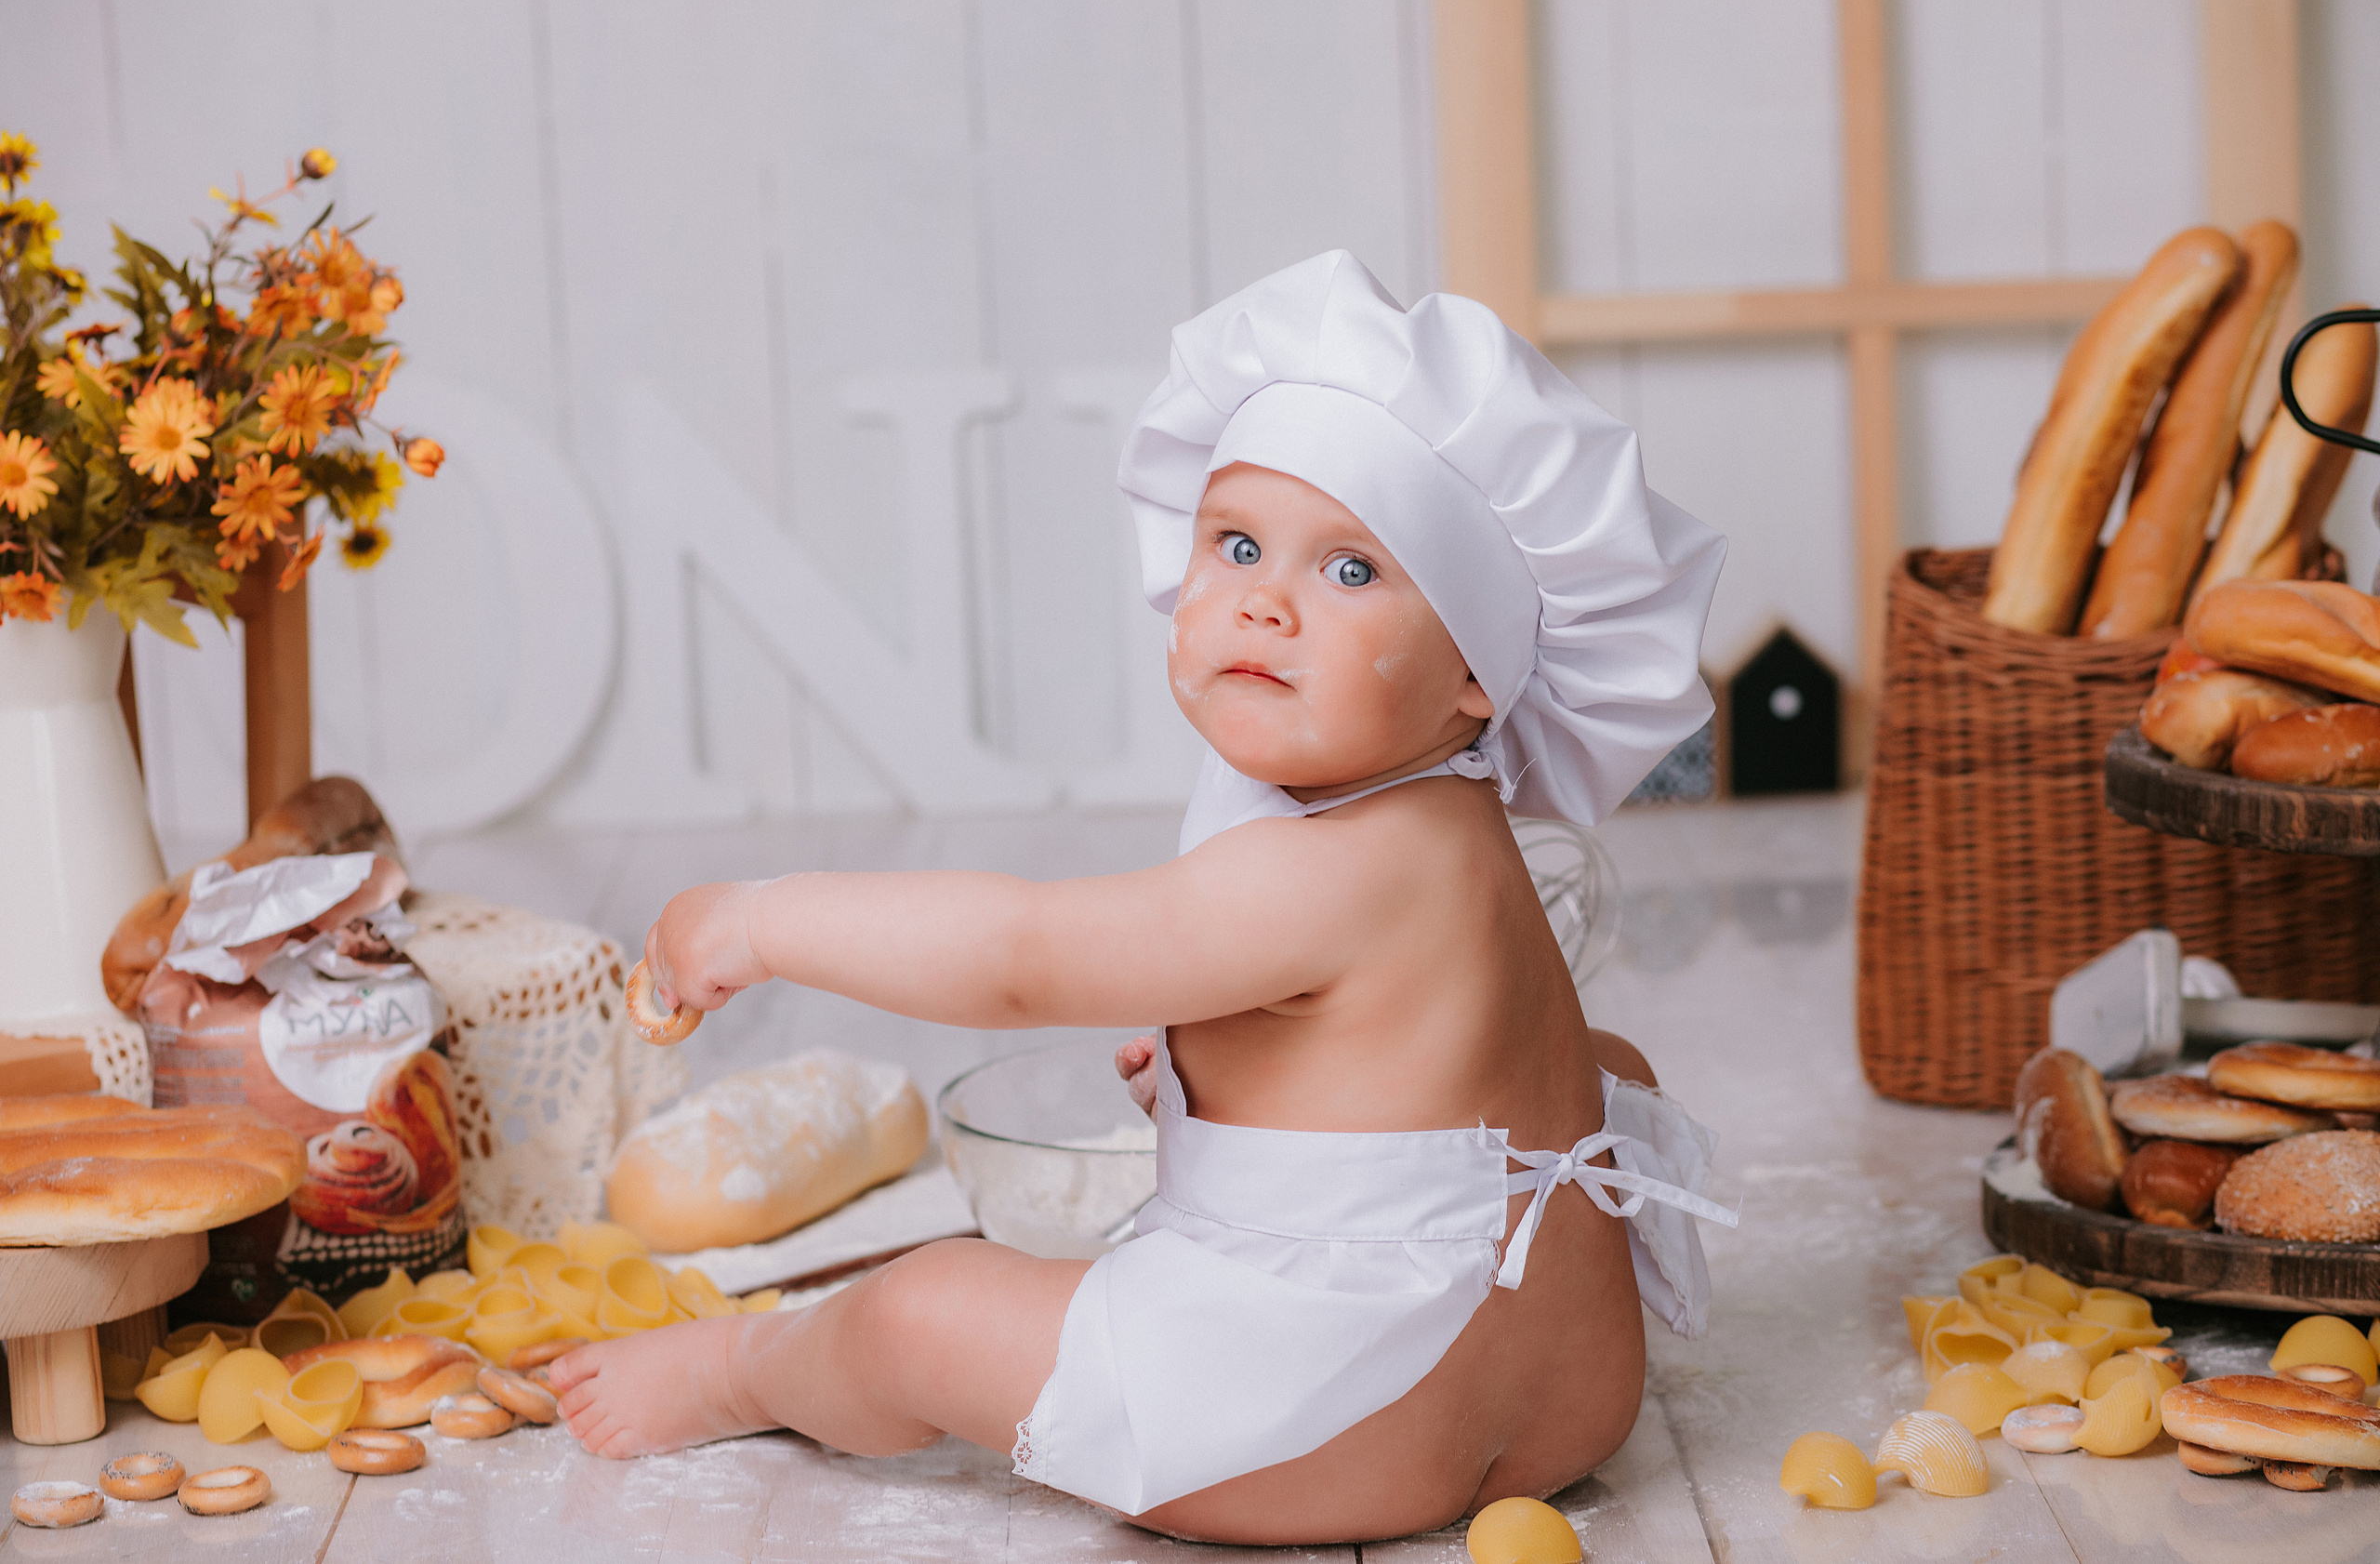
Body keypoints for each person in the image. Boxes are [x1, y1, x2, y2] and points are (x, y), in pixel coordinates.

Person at [550, 251, 1735, 1544]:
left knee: (919, 1310)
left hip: (1349, 1417)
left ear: (1479, 677)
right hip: (1567, 1398)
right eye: (1235, 544)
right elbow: (1454, 1074)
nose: (1264, 601)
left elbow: (1021, 958)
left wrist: (761, 918)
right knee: (1590, 1062)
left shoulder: (1335, 866)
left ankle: (739, 1372)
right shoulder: (1462, 833)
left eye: (1351, 573)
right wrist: (1240, 1074)